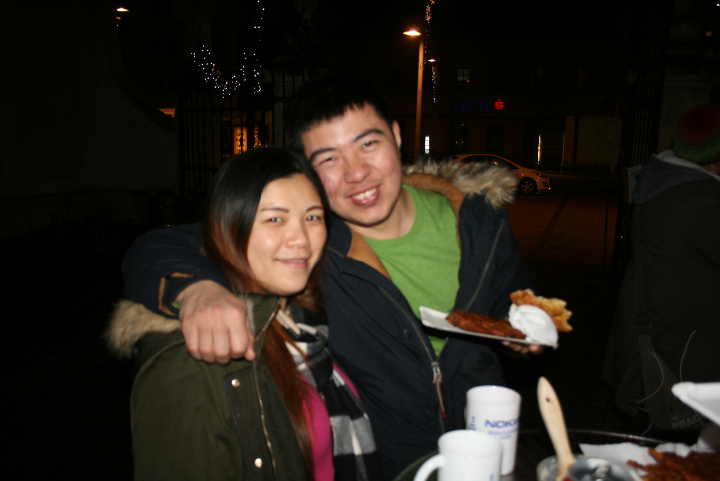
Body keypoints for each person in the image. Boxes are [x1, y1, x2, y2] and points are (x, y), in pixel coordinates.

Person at [122, 74, 537, 478]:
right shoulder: (314, 243)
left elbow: (515, 293)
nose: (356, 173)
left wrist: (526, 325)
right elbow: (169, 244)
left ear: (396, 135)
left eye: (368, 144)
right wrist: (198, 289)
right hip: (391, 465)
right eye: (329, 159)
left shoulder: (480, 223)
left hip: (487, 453)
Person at [108, 147, 381, 480]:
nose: (301, 239)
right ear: (230, 225)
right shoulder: (201, 352)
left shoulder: (307, 321)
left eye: (312, 217)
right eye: (275, 219)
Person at [604, 104, 720, 430]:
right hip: (684, 346)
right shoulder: (701, 201)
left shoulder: (667, 185)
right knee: (673, 440)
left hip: (668, 336)